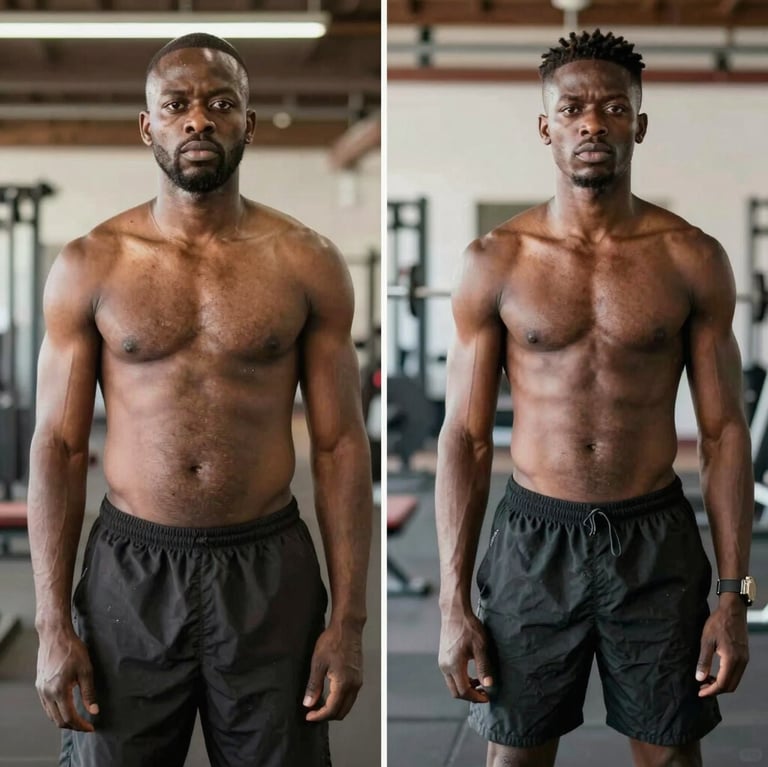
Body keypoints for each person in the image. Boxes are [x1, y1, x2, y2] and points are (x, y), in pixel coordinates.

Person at [27, 33, 372, 767]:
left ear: (248, 123)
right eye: (177, 105)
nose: (198, 120)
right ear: (148, 125)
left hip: (267, 567)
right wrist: (52, 622)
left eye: (220, 103)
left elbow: (342, 445)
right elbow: (57, 447)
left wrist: (349, 621)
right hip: (131, 569)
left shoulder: (306, 261)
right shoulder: (92, 263)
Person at [435, 29, 754, 767]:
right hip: (532, 541)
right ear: (546, 126)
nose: (593, 122)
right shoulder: (496, 261)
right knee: (515, 756)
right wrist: (453, 604)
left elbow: (724, 434)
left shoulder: (691, 258)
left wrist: (735, 594)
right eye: (573, 107)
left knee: (670, 756)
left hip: (653, 539)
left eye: (614, 107)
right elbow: (466, 438)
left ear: (639, 124)